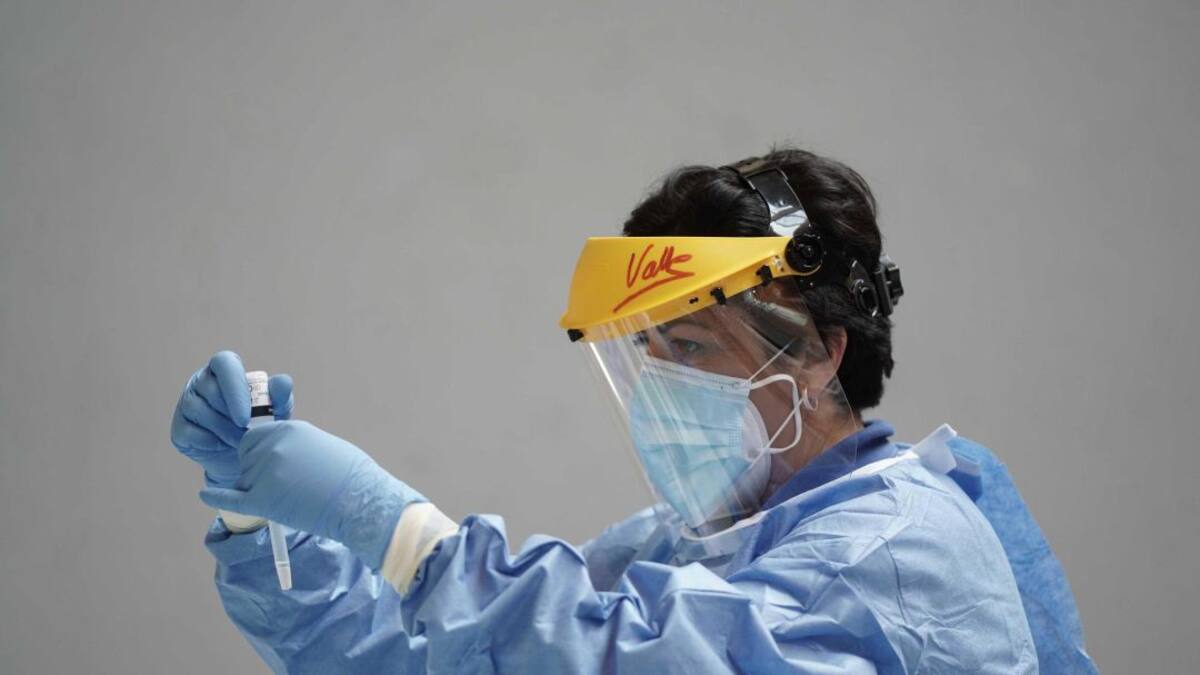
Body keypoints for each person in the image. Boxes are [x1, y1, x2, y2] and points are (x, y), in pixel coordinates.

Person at [171, 149, 1097, 674]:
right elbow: (439, 657)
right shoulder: (691, 545)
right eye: (644, 350)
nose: (657, 384)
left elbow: (629, 662)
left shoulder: (900, 553)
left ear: (820, 353)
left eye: (689, 347)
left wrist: (399, 530)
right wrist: (264, 523)